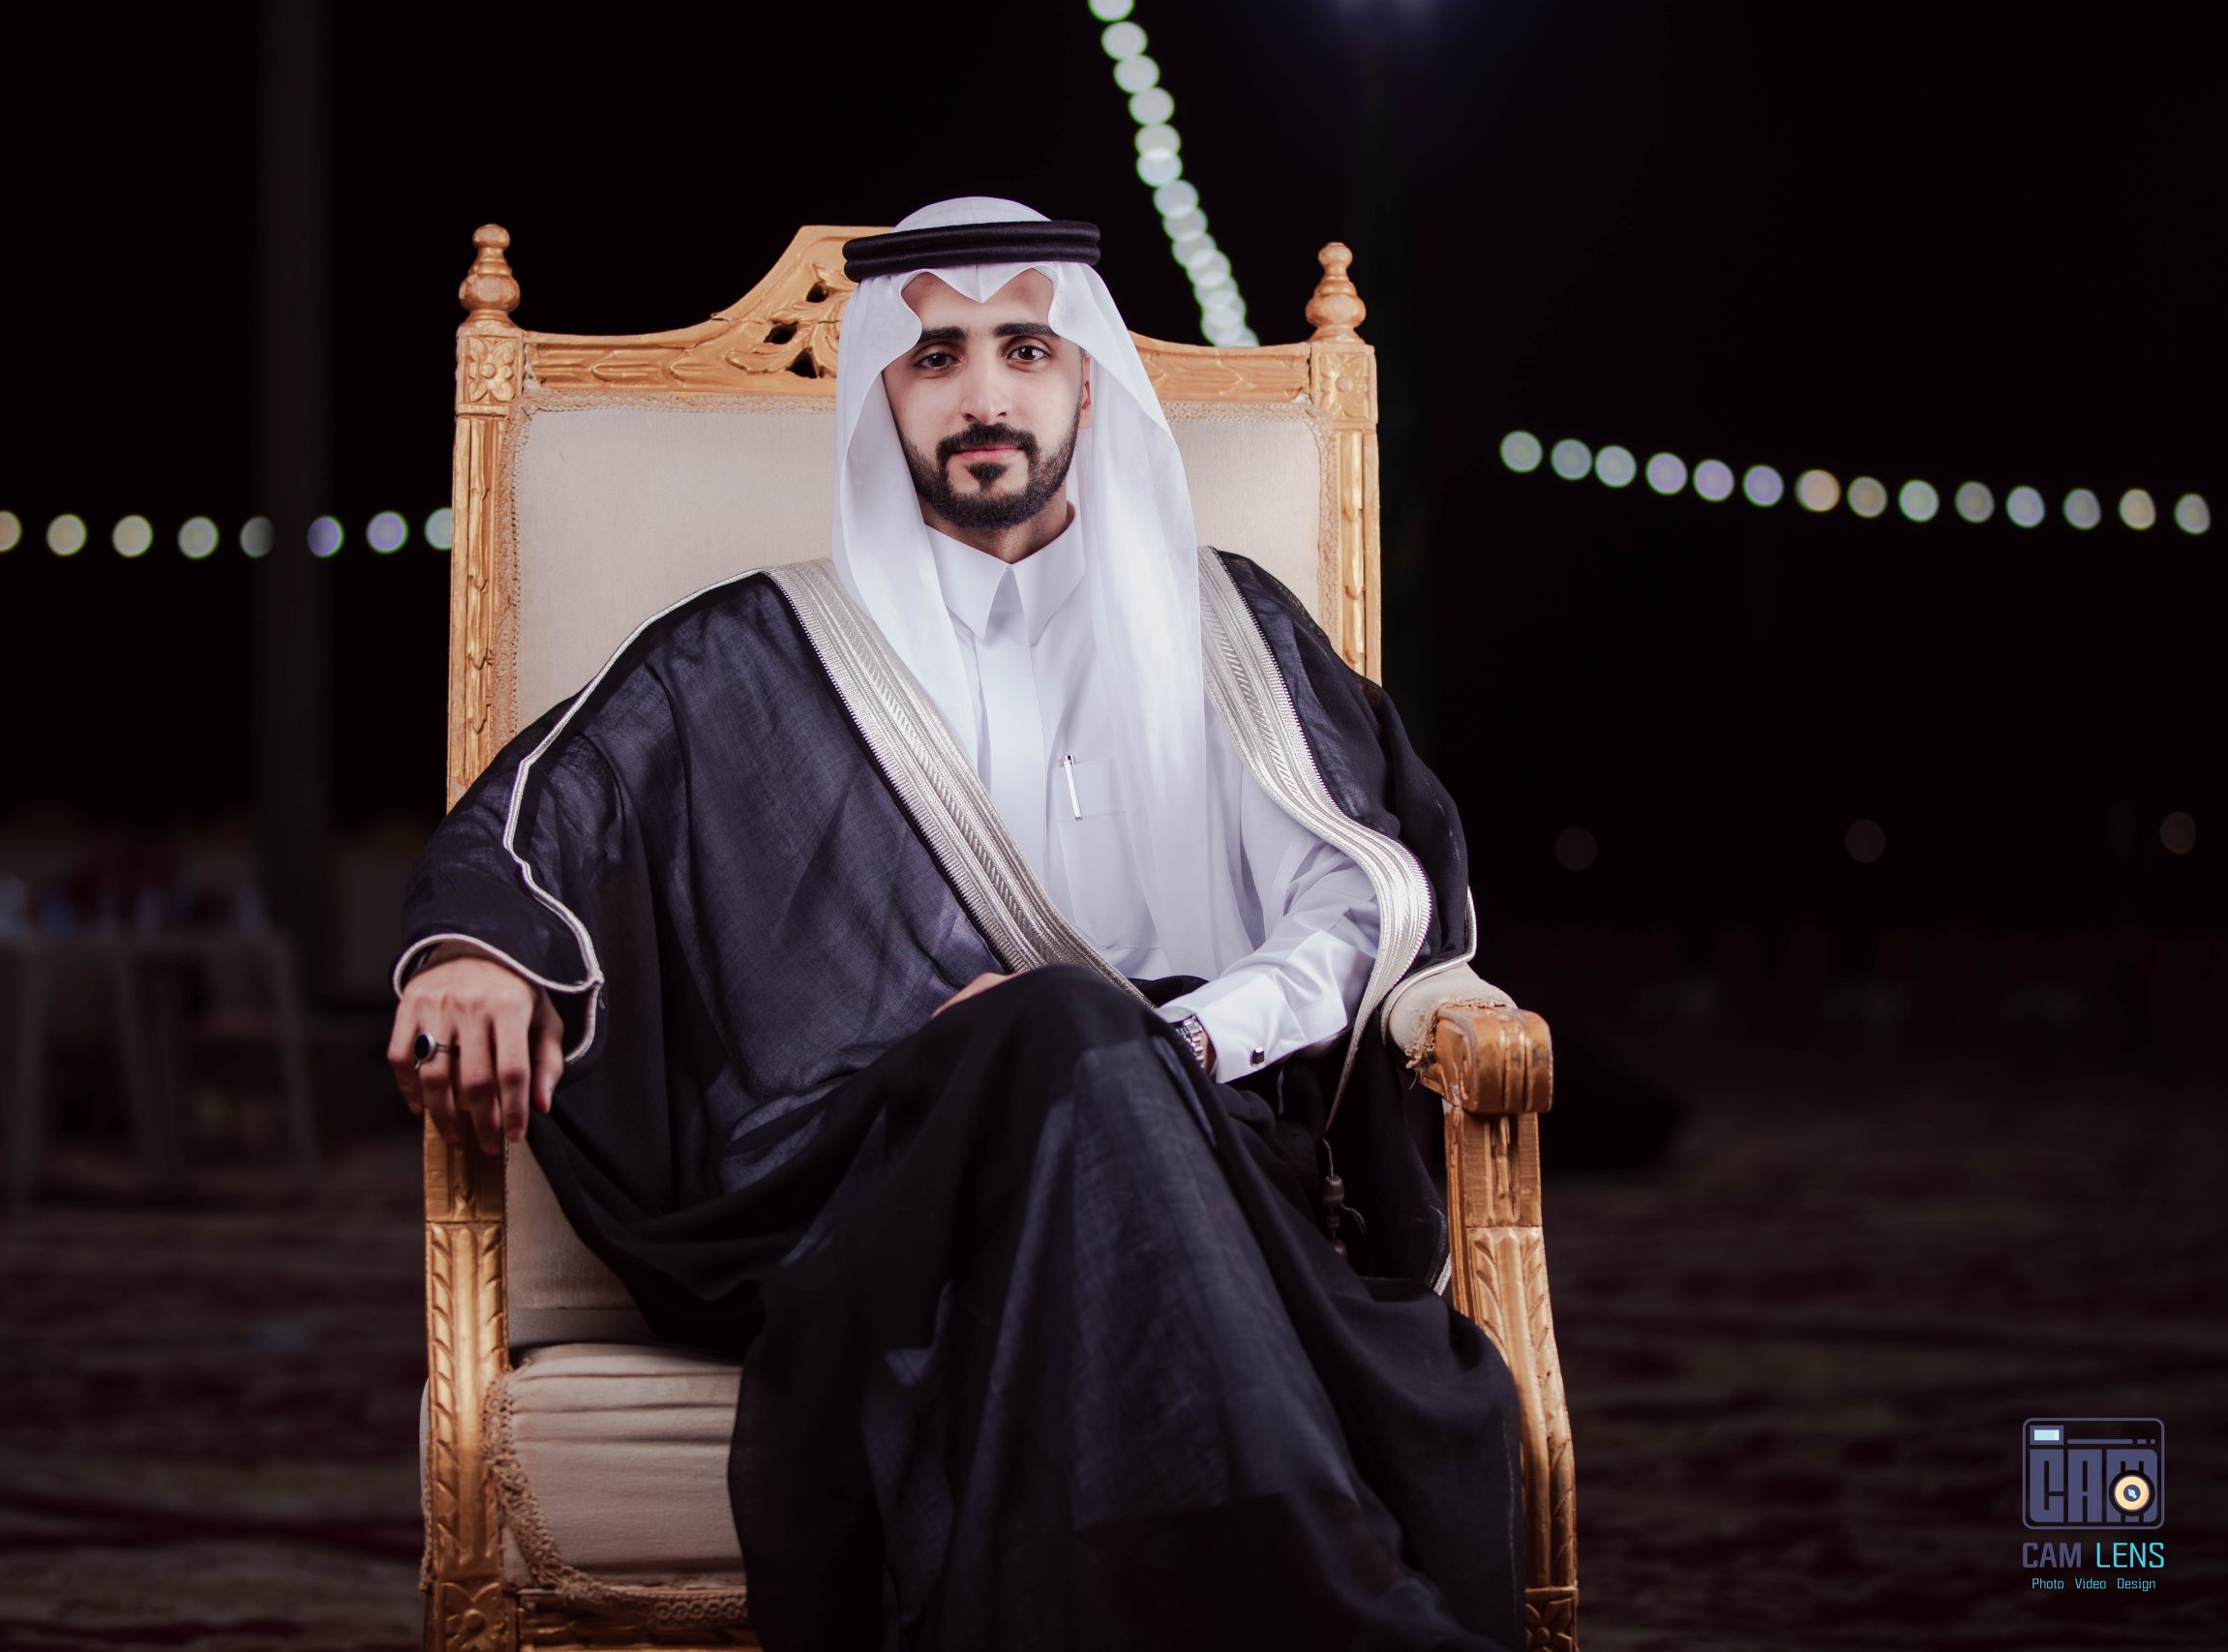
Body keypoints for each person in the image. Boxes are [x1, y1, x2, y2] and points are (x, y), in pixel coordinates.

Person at [388, 197, 1525, 1652]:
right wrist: (477, 947)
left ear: (1086, 381)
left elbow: (1358, 899)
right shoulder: (766, 650)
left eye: (1025, 348)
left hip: (1205, 1144)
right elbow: (548, 807)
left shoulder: (1229, 631)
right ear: (885, 390)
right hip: (881, 1189)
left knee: (1072, 1033)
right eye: (935, 357)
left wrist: (1174, 1037)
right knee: (1059, 1028)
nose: (985, 394)